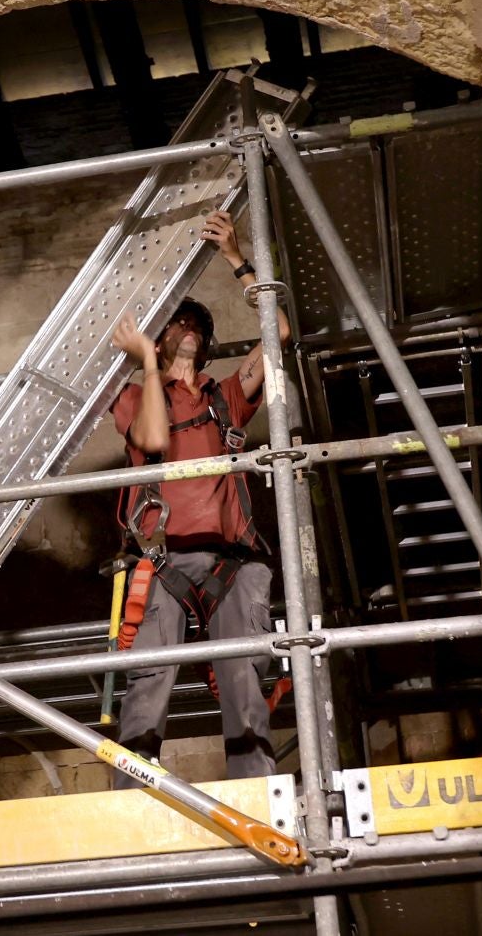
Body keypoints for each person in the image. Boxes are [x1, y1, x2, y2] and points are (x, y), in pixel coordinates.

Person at [107, 209, 291, 786]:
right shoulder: (136, 395)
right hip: (162, 562)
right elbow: (152, 440)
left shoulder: (224, 397)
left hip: (231, 561)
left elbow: (279, 332)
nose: (188, 326)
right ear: (158, 338)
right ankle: (130, 798)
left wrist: (236, 259)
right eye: (177, 321)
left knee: (244, 680)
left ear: (207, 344)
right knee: (149, 683)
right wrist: (148, 365)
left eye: (196, 323)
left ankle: (255, 791)